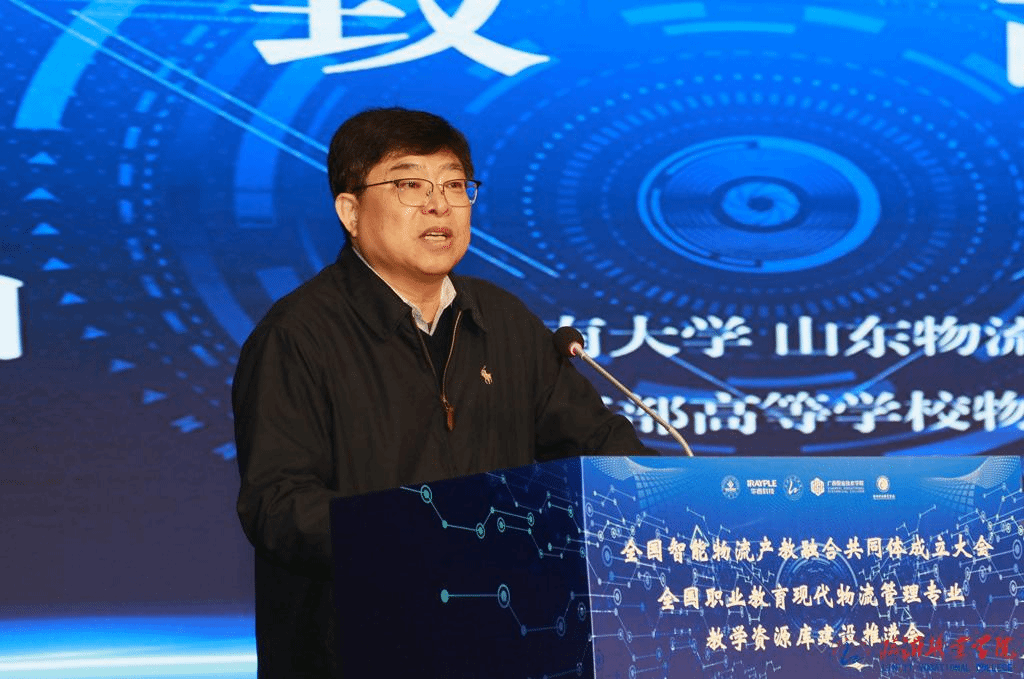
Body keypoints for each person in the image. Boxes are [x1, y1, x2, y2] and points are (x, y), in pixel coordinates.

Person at [232, 107, 646, 677]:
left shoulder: (503, 321)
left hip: (505, 645)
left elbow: (597, 447)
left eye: (454, 185)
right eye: (409, 184)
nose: (439, 205)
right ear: (350, 211)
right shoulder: (297, 336)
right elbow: (279, 507)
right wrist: (426, 537)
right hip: (359, 654)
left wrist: (667, 496)